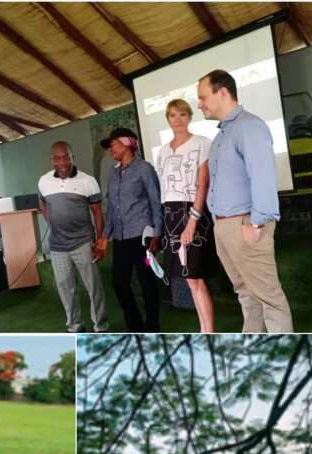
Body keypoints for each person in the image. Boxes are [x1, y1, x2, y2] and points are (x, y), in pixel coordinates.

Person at [197, 69, 293, 332]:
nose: (199, 103)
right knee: (247, 295)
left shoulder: (249, 126)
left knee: (269, 299)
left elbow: (262, 177)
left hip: (246, 224)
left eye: (203, 97)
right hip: (225, 227)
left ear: (223, 92)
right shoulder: (221, 136)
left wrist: (257, 224)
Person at [156, 98, 218, 332]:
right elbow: (164, 190)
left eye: (182, 114)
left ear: (190, 117)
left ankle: (209, 331)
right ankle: (204, 330)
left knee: (196, 277)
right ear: (167, 119)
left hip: (193, 213)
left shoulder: (202, 143)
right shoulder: (162, 151)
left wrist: (193, 221)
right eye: (173, 115)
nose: (178, 119)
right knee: (188, 278)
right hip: (170, 215)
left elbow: (203, 184)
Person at [37, 141, 108, 333]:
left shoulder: (87, 181)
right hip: (58, 246)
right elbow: (42, 202)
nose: (63, 162)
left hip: (83, 242)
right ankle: (75, 325)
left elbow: (98, 213)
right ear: (52, 160)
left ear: (72, 157)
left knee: (94, 287)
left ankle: (100, 326)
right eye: (58, 158)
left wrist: (99, 240)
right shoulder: (44, 181)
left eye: (66, 157)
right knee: (65, 289)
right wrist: (50, 221)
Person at [102, 127, 163, 333]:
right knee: (119, 283)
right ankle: (135, 325)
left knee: (147, 283)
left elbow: (156, 202)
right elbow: (111, 207)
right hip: (120, 237)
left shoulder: (144, 168)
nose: (111, 150)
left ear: (127, 143)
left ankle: (153, 326)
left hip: (142, 236)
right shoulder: (112, 172)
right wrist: (104, 237)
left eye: (113, 145)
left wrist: (157, 234)